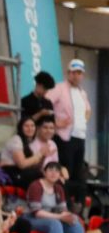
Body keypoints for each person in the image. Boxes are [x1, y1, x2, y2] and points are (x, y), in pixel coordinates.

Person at [47, 59, 92, 205]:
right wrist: (55, 122)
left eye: (80, 73)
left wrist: (84, 121)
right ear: (69, 73)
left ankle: (76, 203)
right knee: (66, 171)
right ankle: (63, 202)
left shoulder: (82, 93)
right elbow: (46, 104)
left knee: (78, 173)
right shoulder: (59, 88)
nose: (77, 76)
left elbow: (88, 110)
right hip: (65, 136)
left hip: (80, 136)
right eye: (74, 73)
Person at [25, 162, 85, 233]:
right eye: (50, 170)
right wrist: (60, 217)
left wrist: (70, 216)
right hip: (33, 219)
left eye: (57, 171)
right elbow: (37, 212)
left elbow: (62, 210)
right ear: (44, 172)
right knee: (55, 224)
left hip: (52, 219)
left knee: (76, 225)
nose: (54, 173)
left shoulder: (58, 188)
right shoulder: (36, 186)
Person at [0, 115, 44, 188]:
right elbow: (22, 164)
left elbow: (32, 165)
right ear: (20, 128)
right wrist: (39, 154)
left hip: (19, 172)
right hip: (9, 172)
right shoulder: (16, 140)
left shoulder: (27, 142)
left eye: (32, 126)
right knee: (39, 176)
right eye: (26, 126)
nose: (30, 129)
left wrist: (43, 156)